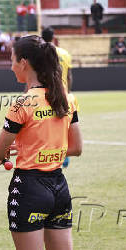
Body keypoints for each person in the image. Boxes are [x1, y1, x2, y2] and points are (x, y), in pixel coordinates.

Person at [0, 35, 82, 250]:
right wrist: (42, 152)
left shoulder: (22, 103)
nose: (11, 67)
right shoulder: (67, 98)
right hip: (59, 187)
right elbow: (76, 148)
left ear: (23, 63)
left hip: (29, 188)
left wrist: (19, 151)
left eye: (12, 60)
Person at [41, 27, 74, 168]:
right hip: (63, 92)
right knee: (64, 125)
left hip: (46, 93)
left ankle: (48, 156)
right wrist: (68, 93)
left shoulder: (41, 54)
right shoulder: (64, 53)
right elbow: (69, 76)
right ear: (54, 37)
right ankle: (64, 156)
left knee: (47, 125)